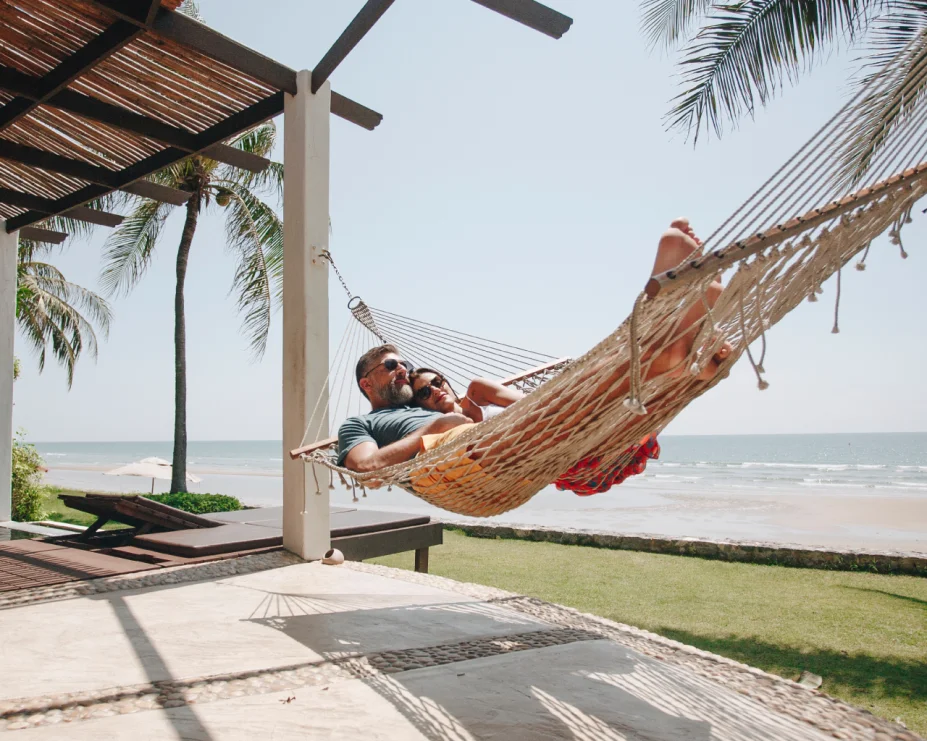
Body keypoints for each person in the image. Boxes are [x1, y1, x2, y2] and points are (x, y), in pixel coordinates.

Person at [338, 219, 730, 483]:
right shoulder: (360, 426)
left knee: (600, 395)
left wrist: (447, 417)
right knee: (609, 391)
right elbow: (364, 467)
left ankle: (671, 350)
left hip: (503, 438)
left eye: (408, 366)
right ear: (367, 382)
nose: (405, 371)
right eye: (393, 366)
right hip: (474, 457)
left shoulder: (431, 409)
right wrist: (437, 429)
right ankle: (668, 330)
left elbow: (461, 407)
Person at [408, 368, 661, 495]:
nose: (435, 390)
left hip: (561, 429)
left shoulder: (477, 393)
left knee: (655, 407)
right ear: (420, 404)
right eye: (424, 392)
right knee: (642, 427)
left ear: (446, 381)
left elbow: (535, 405)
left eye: (437, 382)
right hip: (563, 466)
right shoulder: (446, 437)